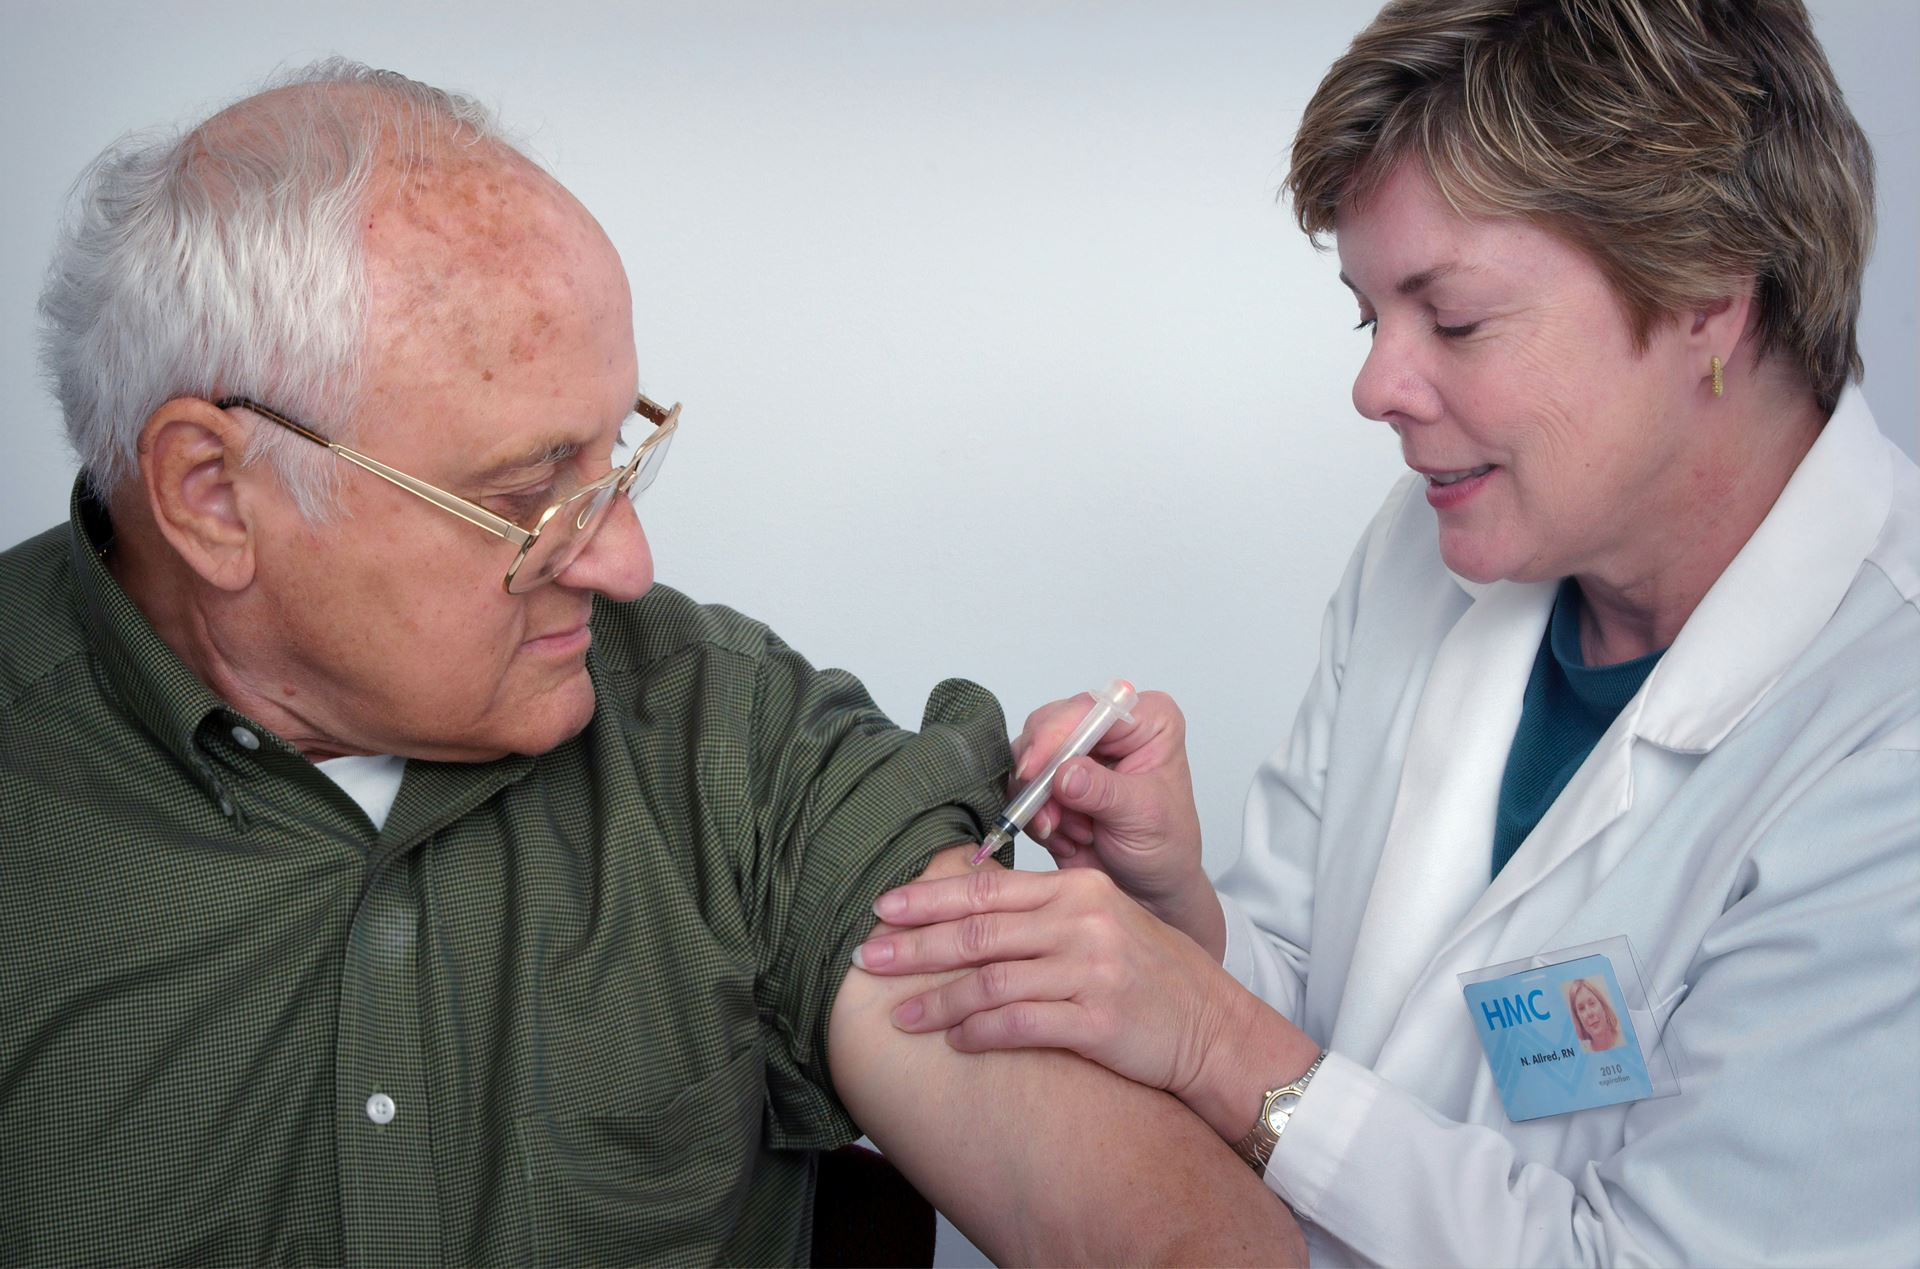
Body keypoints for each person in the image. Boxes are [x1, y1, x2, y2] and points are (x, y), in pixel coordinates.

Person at [0, 62, 1304, 1267]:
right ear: (214, 497)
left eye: (616, 452)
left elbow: (1160, 1221)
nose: (625, 561)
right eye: (527, 493)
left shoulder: (718, 738)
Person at [852, 0, 1920, 1263]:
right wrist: (1177, 912)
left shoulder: (1884, 752)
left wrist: (1206, 1031)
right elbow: (1331, 1026)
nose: (1374, 388)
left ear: (1705, 297)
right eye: (1371, 318)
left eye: (1452, 321)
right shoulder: (1440, 543)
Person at [1567, 980, 1621, 1054]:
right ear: (1578, 1018)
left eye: (1592, 1003)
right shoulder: (1581, 1053)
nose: (1589, 1013)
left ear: (1603, 1007)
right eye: (1581, 1008)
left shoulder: (1626, 1039)